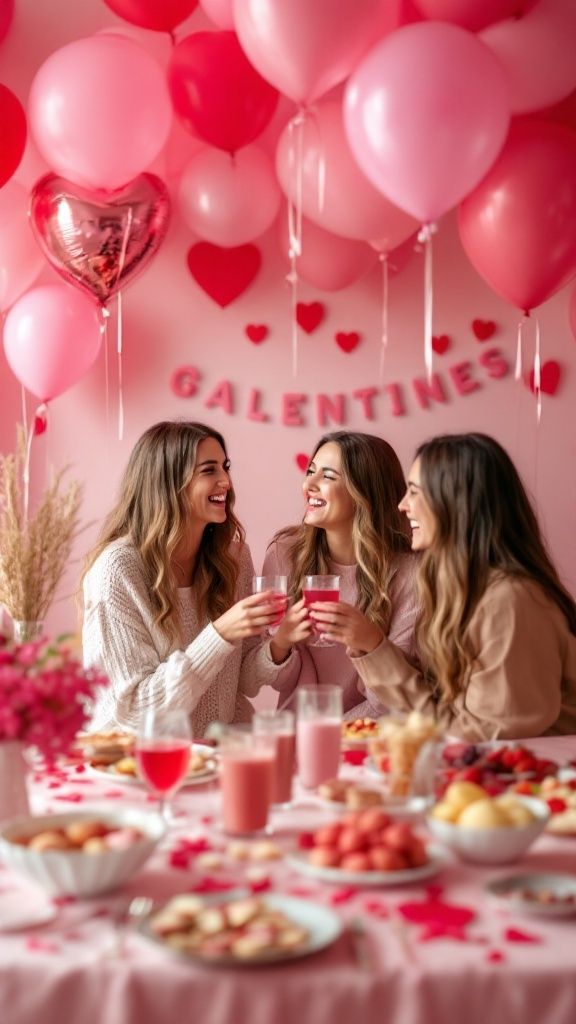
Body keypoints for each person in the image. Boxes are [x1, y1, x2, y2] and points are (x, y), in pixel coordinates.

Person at [338, 432, 576, 741]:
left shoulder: (509, 600)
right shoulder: (461, 591)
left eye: (414, 492)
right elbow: (451, 714)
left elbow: (488, 735)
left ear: (454, 502)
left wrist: (377, 650)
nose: (402, 505)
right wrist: (373, 647)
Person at [82, 420, 288, 737]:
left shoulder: (234, 559)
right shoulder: (118, 570)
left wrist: (282, 642)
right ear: (167, 483)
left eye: (225, 467)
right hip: (138, 759)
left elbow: (243, 679)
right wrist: (218, 635)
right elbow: (137, 712)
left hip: (216, 749)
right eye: (209, 471)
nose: (226, 482)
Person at [259, 430, 419, 718]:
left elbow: (397, 701)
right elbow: (274, 679)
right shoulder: (285, 555)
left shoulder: (411, 575)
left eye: (328, 476)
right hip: (297, 737)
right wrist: (281, 641)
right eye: (311, 471)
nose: (309, 483)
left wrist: (333, 735)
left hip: (371, 741)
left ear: (365, 492)